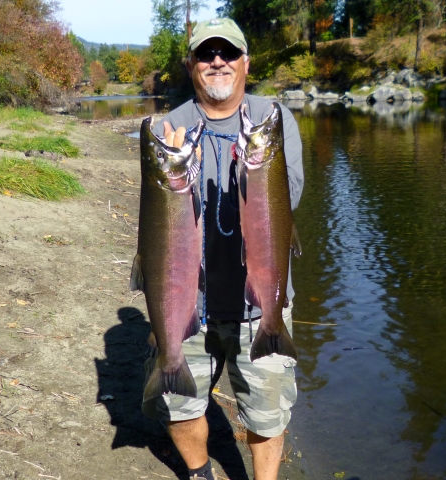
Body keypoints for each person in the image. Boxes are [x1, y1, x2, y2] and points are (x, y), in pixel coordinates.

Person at [141, 18, 304, 480]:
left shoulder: (273, 120)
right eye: (207, 54)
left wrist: (248, 171)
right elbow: (156, 221)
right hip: (188, 299)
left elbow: (289, 194)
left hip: (262, 301)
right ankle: (199, 472)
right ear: (191, 64)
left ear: (245, 62)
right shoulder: (170, 128)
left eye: (228, 53)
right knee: (180, 403)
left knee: (267, 412)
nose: (218, 62)